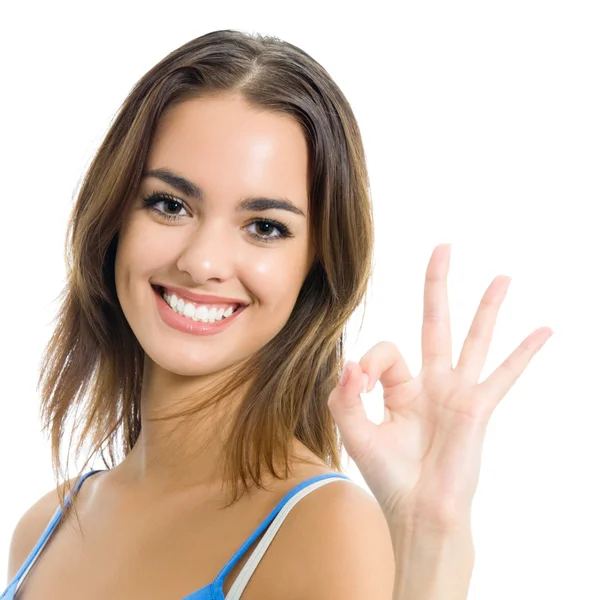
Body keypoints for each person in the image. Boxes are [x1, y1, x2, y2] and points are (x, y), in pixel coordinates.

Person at [2, 30, 553, 600]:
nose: (203, 261)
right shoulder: (43, 528)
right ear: (115, 217)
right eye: (170, 204)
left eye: (264, 227)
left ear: (314, 267)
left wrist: (432, 535)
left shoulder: (322, 529)